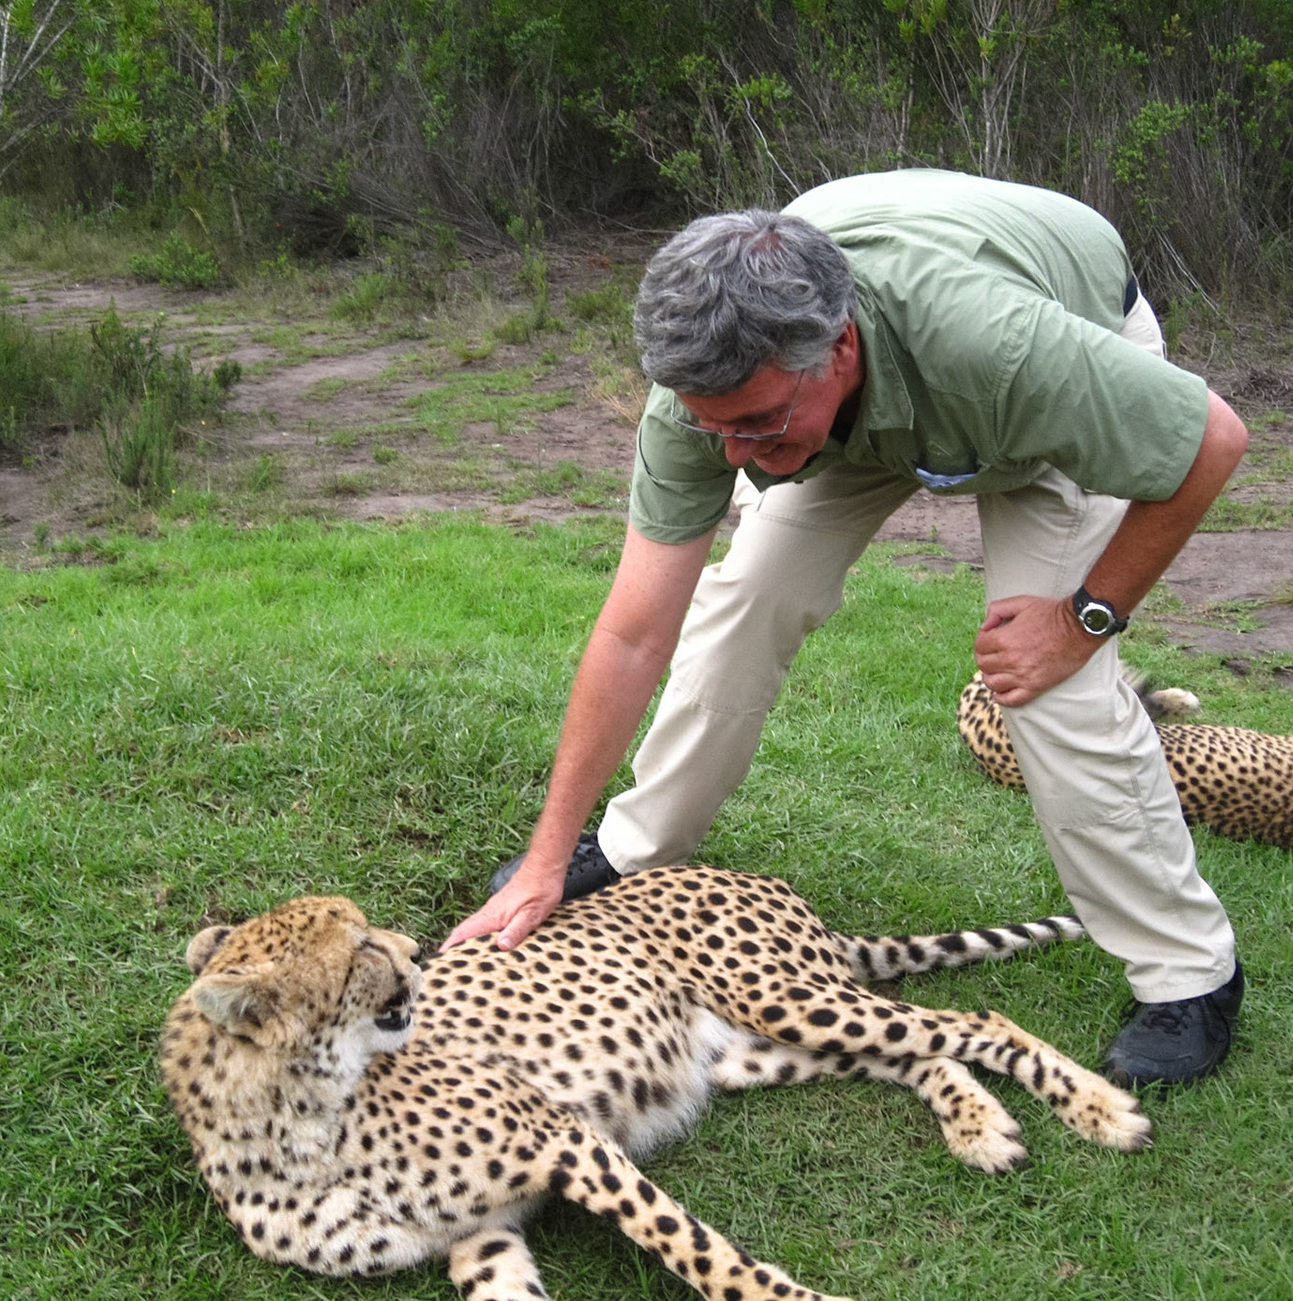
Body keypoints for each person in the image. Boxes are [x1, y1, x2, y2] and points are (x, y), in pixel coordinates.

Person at [444, 168, 1250, 1087]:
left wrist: (1083, 620)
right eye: (717, 434)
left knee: (1050, 689)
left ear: (837, 348)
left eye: (752, 425)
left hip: (1041, 380)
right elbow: (632, 634)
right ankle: (634, 849)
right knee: (746, 594)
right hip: (857, 408)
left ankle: (1191, 974)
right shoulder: (709, 401)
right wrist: (546, 858)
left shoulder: (1003, 348)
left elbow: (1209, 445)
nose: (736, 458)